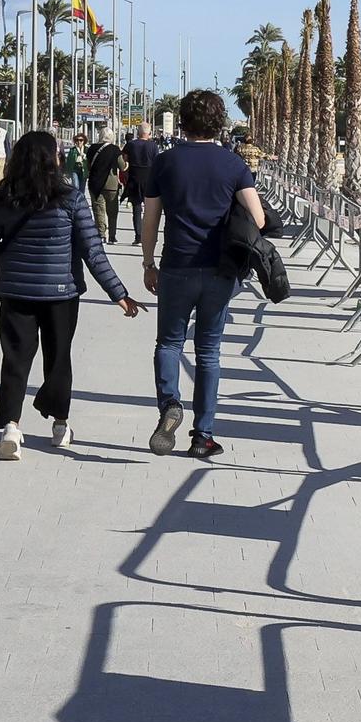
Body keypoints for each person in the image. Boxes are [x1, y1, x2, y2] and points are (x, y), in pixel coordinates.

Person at [0, 130, 141, 459]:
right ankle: (59, 425)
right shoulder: (71, 198)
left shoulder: (4, 197)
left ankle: (11, 427)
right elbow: (93, 252)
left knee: (15, 359)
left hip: (15, 292)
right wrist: (120, 294)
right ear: (52, 159)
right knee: (58, 358)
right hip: (61, 293)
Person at [142, 90, 265, 459]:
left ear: (182, 121)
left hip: (176, 265)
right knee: (209, 352)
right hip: (219, 270)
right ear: (218, 121)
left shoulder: (165, 162)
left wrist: (149, 264)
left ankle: (169, 407)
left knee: (168, 344)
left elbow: (151, 219)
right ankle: (203, 436)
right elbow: (258, 219)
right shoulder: (232, 164)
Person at [122, 121, 161, 246]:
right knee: (150, 210)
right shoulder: (153, 146)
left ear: (138, 133)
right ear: (149, 133)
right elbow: (157, 163)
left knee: (136, 209)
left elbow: (124, 159)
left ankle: (138, 237)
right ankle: (150, 237)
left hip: (134, 179)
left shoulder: (130, 145)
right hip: (149, 180)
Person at [86, 127, 125, 243]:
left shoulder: (92, 149)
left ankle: (101, 234)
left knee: (99, 211)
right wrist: (127, 164)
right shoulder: (115, 149)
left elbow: (88, 166)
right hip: (111, 186)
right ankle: (112, 236)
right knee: (112, 212)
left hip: (95, 184)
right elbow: (122, 166)